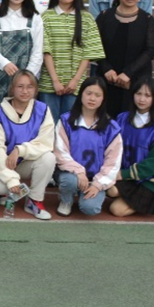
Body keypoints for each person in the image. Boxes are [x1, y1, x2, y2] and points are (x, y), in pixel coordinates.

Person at [0, 70, 56, 220]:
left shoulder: (42, 110)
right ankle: (4, 194)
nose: (25, 91)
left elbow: (45, 143)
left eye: (30, 87)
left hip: (26, 162)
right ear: (12, 88)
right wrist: (11, 179)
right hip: (3, 163)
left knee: (48, 158)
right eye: (20, 86)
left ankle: (34, 200)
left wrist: (20, 150)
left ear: (36, 89)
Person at [107, 77, 154, 217]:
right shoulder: (122, 119)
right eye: (138, 94)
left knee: (116, 210)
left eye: (147, 95)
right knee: (110, 190)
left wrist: (122, 174)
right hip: (129, 176)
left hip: (150, 180)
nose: (142, 99)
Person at [55, 77, 122, 217]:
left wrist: (98, 184)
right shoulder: (66, 120)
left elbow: (113, 162)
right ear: (81, 94)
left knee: (90, 209)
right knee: (69, 181)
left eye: (97, 95)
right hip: (72, 175)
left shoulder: (111, 127)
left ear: (103, 99)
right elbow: (60, 151)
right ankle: (66, 200)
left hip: (94, 178)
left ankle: (93, 193)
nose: (92, 98)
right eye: (89, 93)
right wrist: (78, 171)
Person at [40, 0, 105, 119]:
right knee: (48, 125)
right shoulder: (46, 17)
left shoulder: (86, 18)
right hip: (49, 84)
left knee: (70, 125)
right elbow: (45, 50)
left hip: (75, 86)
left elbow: (88, 52)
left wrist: (75, 80)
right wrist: (55, 81)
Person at [94, 0, 154, 117]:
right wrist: (106, 68)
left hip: (135, 82)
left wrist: (128, 73)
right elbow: (95, 45)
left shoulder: (147, 20)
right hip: (107, 80)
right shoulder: (104, 17)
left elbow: (151, 50)